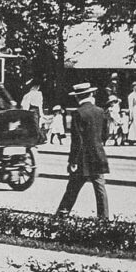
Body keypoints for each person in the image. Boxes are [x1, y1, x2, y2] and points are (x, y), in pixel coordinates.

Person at [56, 82, 110, 220]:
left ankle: (61, 216)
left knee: (72, 188)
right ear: (91, 94)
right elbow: (105, 135)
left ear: (77, 98)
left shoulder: (78, 113)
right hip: (98, 155)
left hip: (82, 159)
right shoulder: (100, 111)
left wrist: (72, 161)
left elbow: (77, 141)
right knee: (100, 189)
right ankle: (104, 219)